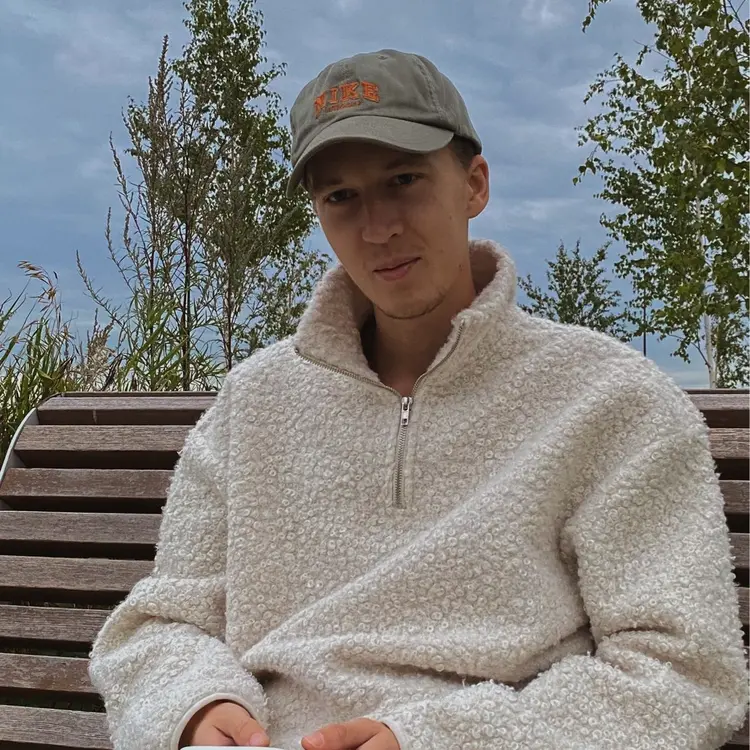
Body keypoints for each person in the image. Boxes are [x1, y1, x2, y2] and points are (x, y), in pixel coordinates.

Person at [88, 48, 748, 750]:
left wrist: (443, 740)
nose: (377, 228)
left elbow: (684, 674)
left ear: (474, 184)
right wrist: (195, 706)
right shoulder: (253, 402)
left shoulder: (614, 400)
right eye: (340, 197)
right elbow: (162, 625)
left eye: (403, 180)